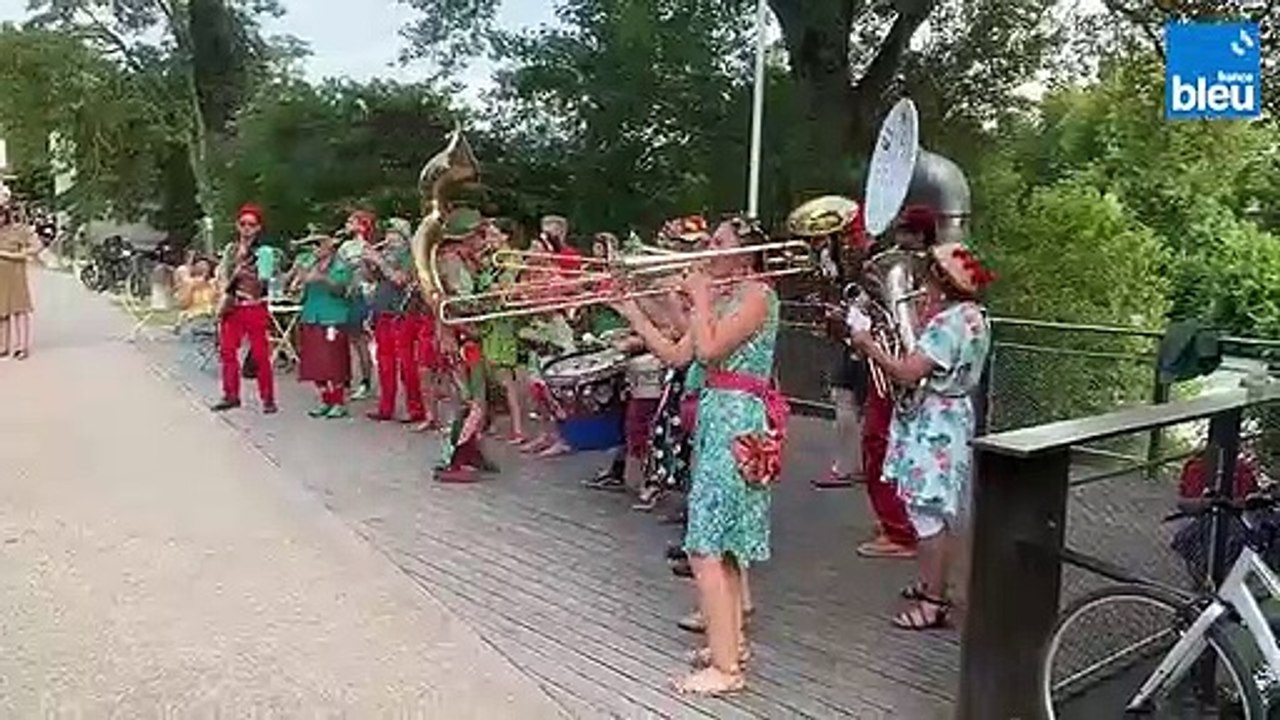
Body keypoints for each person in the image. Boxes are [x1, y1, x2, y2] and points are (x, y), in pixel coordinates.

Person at [617, 215, 783, 696]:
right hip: (717, 417)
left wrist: (701, 298)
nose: (706, 250)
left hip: (739, 421)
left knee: (705, 547)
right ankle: (728, 646)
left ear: (744, 252)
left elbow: (709, 350)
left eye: (718, 243)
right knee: (722, 543)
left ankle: (728, 670)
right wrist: (633, 313)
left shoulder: (757, 294)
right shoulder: (732, 296)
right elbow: (677, 356)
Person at [849, 239, 995, 631]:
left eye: (926, 277)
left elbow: (908, 372)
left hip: (934, 422)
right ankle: (937, 584)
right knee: (937, 512)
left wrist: (869, 345)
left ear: (939, 282)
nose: (919, 283)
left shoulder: (948, 324)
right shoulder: (974, 316)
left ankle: (934, 602)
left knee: (926, 514)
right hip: (953, 415)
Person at [851, 204, 942, 559]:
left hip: (902, 369)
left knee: (878, 444)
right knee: (885, 445)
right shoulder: (916, 266)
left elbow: (916, 324)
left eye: (906, 232)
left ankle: (899, 530)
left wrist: (874, 342)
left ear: (921, 235)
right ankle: (897, 519)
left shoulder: (928, 271)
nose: (899, 238)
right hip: (896, 365)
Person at [433, 208, 499, 483]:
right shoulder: (452, 262)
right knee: (472, 401)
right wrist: (493, 297)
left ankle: (472, 450)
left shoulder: (462, 260)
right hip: (462, 336)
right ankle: (456, 459)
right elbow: (461, 302)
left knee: (482, 397)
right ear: (467, 236)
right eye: (479, 235)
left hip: (468, 335)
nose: (483, 241)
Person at [213, 203, 278, 413]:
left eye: (251, 224)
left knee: (260, 354)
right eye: (243, 224)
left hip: (253, 306)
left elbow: (264, 281)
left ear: (258, 228)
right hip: (233, 306)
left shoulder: (264, 252)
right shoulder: (231, 250)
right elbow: (222, 275)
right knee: (228, 352)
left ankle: (268, 398)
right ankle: (231, 394)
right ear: (237, 225)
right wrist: (224, 292)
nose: (247, 228)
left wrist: (246, 273)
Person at [366, 218, 428, 424]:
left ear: (403, 237)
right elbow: (371, 278)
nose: (388, 238)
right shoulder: (387, 255)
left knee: (406, 361)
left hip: (402, 313)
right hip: (383, 311)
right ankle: (386, 407)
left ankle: (415, 408)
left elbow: (401, 280)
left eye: (393, 233)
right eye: (388, 233)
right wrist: (369, 262)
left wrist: (380, 262)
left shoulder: (410, 256)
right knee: (384, 362)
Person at [295, 234, 355, 418]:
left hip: (333, 317)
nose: (315, 248)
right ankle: (326, 400)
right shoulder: (309, 263)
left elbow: (342, 290)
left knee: (334, 362)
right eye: (312, 245)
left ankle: (339, 402)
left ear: (330, 246)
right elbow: (295, 284)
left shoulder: (340, 265)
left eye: (319, 244)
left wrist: (323, 278)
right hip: (312, 316)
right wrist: (299, 277)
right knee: (315, 364)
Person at [339, 209, 377, 400]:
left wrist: (362, 266)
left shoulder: (368, 247)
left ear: (362, 226)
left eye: (350, 221)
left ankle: (366, 381)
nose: (347, 225)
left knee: (360, 338)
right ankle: (348, 377)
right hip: (347, 294)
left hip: (362, 294)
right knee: (351, 339)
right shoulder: (345, 246)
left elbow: (371, 276)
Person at [0, 204, 39, 359]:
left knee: (19, 310)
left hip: (16, 276)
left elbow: (35, 247)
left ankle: (21, 346)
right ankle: (3, 346)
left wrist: (14, 255)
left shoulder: (19, 231)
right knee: (1, 313)